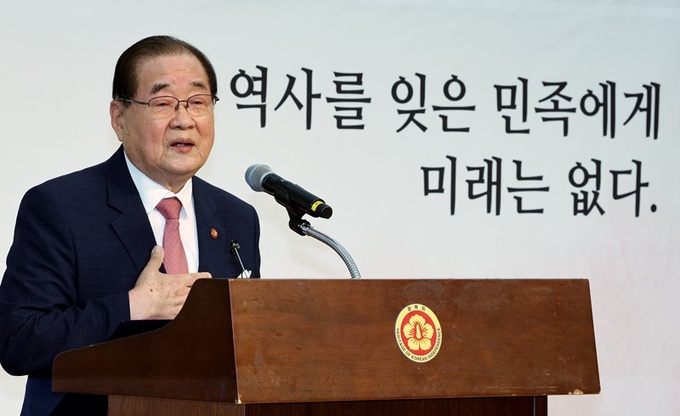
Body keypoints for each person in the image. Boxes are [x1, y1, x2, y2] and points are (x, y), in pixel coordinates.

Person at [0, 35, 261, 416]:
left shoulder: (236, 217)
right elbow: (19, 341)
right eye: (163, 103)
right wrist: (134, 306)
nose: (184, 119)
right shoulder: (60, 207)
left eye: (198, 102)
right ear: (119, 118)